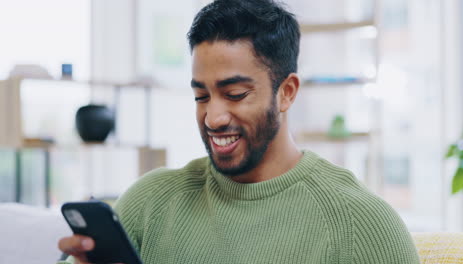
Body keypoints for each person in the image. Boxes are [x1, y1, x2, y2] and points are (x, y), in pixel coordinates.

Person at [58, 0, 420, 263]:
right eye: (201, 95)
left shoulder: (361, 226)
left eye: (235, 94)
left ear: (287, 92)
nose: (213, 117)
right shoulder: (149, 203)